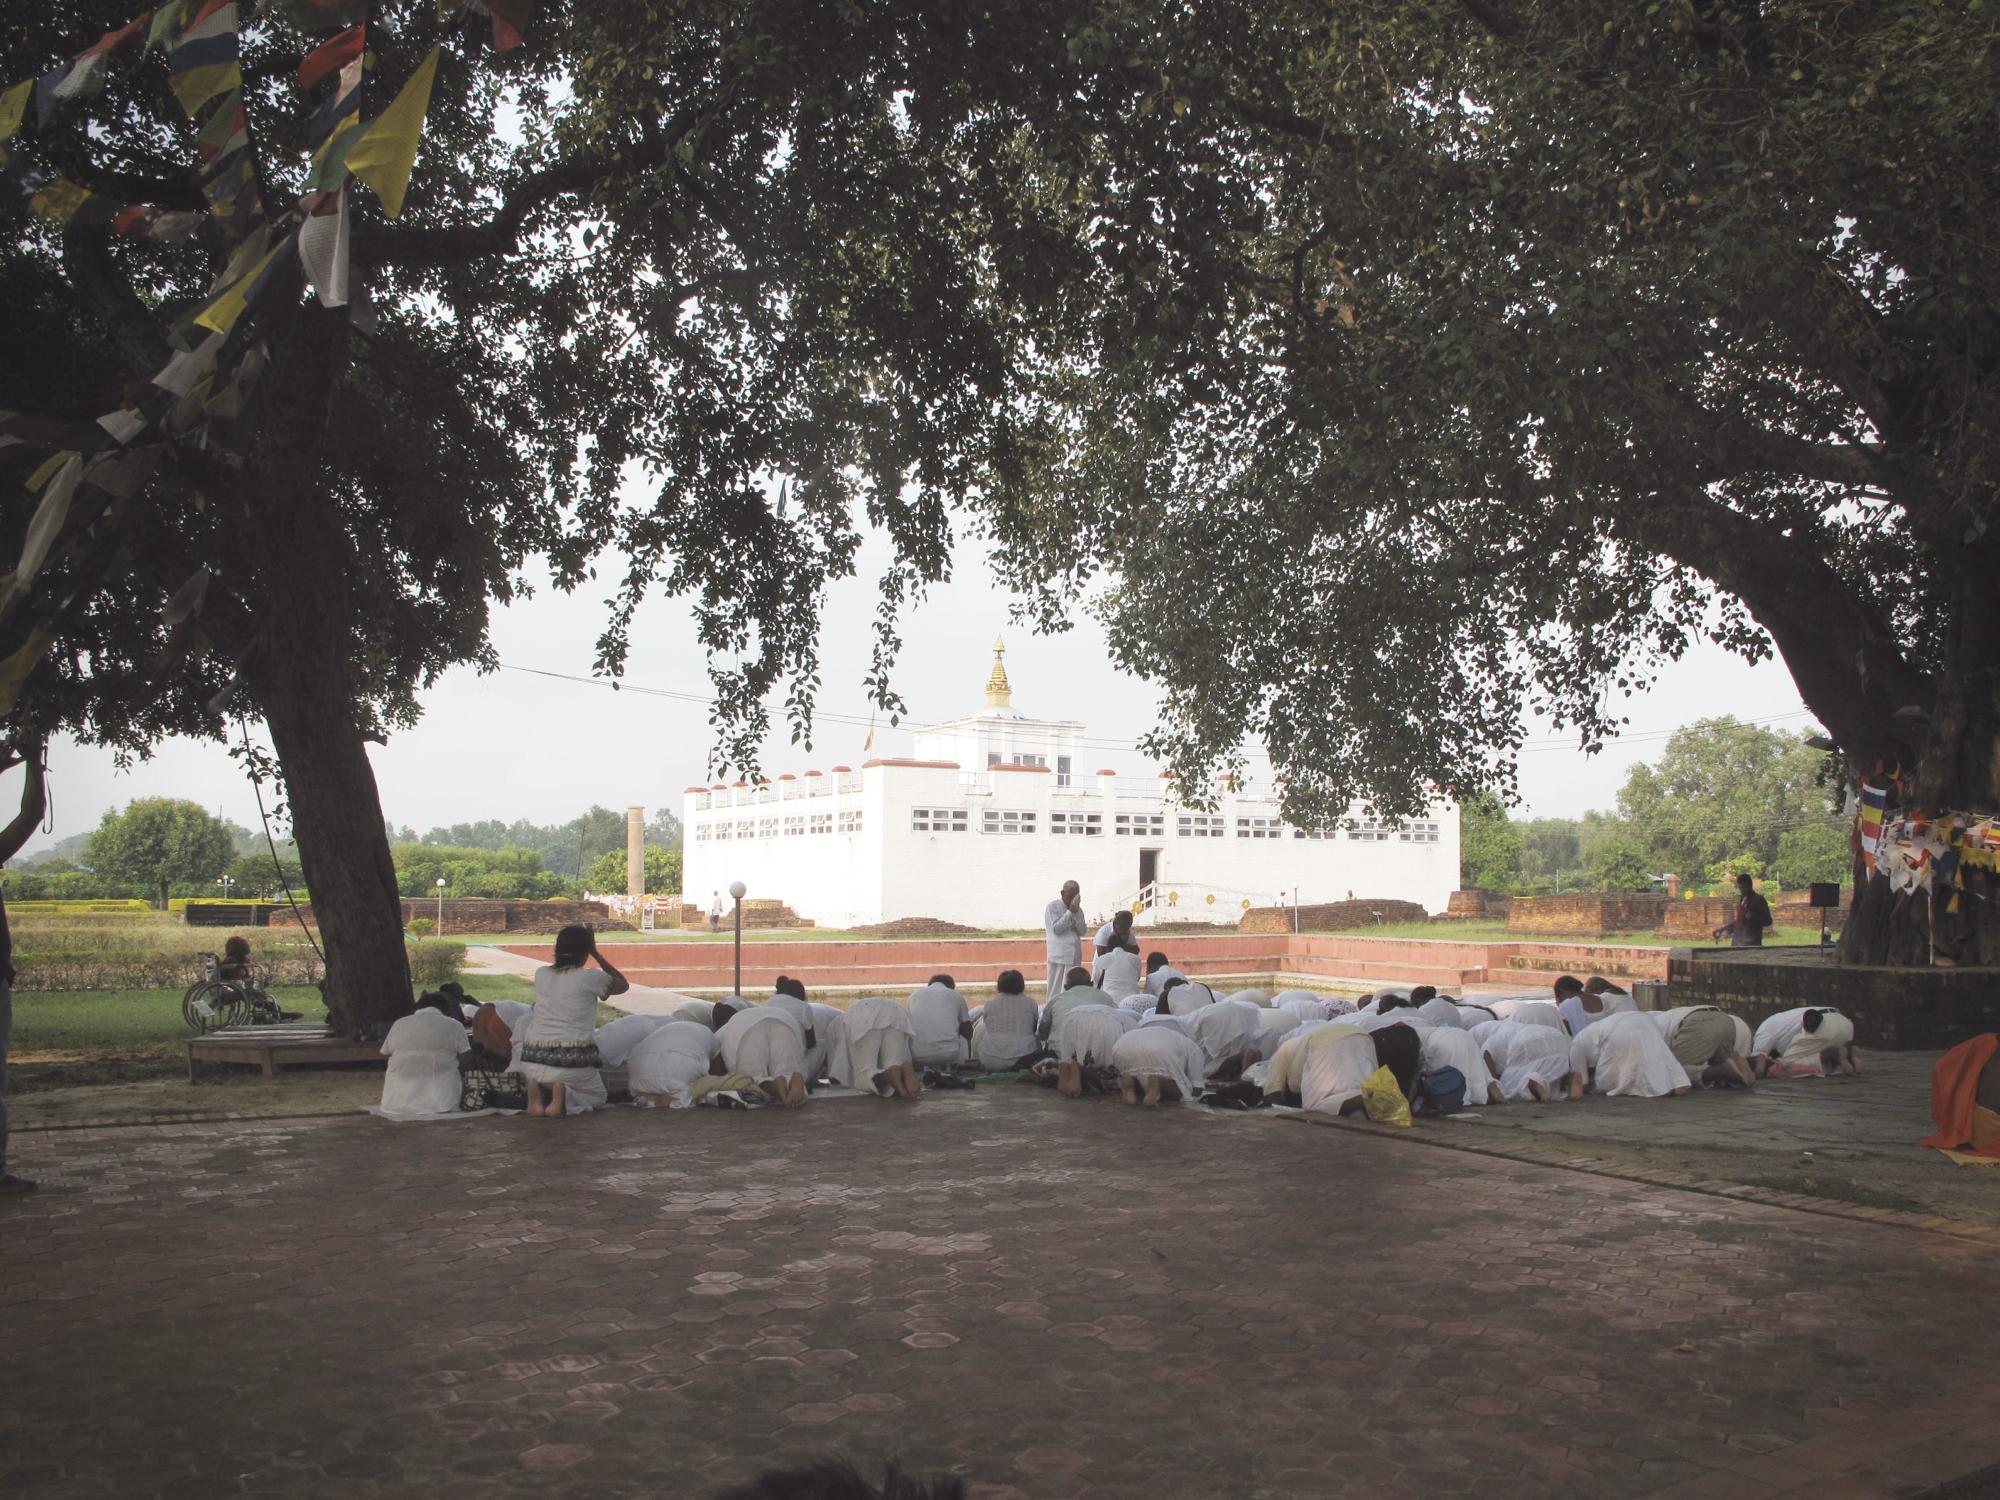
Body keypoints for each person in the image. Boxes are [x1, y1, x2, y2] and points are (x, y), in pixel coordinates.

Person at [519, 925, 629, 1118]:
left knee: (547, 1074)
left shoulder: (541, 974)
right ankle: (563, 1097)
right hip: (571, 1059)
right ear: (584, 951)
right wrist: (596, 954)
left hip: (532, 1057)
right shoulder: (590, 977)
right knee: (598, 1096)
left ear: (557, 949)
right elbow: (622, 985)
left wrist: (589, 949)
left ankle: (539, 1091)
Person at [1567, 1010, 1692, 1099]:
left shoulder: (1575, 1046)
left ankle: (1657, 1089)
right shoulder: (1586, 1033)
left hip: (1618, 1030)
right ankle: (1676, 1083)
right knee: (1655, 1057)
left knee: (1607, 1082)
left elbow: (1581, 1082)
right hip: (1644, 1019)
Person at [376, 1004, 470, 1118]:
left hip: (397, 1100)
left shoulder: (400, 1023)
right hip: (442, 1098)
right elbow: (466, 1057)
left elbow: (386, 1052)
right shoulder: (454, 1025)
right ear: (444, 1011)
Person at [712, 1000, 809, 1107]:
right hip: (784, 1020)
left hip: (746, 1031)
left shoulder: (723, 1030)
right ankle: (791, 1079)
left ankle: (772, 1087)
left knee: (752, 1082)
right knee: (786, 1073)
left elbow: (715, 1065)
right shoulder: (741, 1017)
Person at [1652, 1005, 1756, 1088]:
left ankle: (1722, 1069)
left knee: (1674, 1073)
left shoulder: (1647, 1029)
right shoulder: (1654, 1017)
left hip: (1697, 1023)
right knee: (1720, 1069)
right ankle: (1739, 1069)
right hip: (1725, 1020)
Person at [1110, 1022, 1208, 1106]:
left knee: (1137, 1073)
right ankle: (1160, 1081)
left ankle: (1130, 1083)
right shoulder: (1193, 1047)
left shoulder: (1154, 1032)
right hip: (1160, 1049)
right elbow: (1197, 1086)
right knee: (1182, 1092)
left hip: (1122, 1045)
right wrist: (1193, 1095)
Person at [628, 1020, 722, 1107]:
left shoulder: (672, 1027)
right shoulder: (711, 1036)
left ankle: (649, 1097)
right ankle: (666, 1100)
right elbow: (717, 1070)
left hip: (637, 1067)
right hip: (678, 1068)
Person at [844, 995, 922, 1098]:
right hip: (896, 1011)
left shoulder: (840, 1023)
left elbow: (842, 1067)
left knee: (863, 1075)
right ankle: (902, 1073)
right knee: (894, 1065)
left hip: (863, 1013)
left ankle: (886, 1075)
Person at [1751, 1006, 1862, 1078]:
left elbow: (1759, 1058)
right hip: (1844, 1023)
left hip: (1822, 1025)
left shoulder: (1762, 1030)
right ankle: (1848, 1055)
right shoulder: (1781, 1020)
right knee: (1810, 1053)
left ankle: (1834, 1055)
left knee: (1786, 1064)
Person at [1056, 1004, 1138, 1098]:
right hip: (1111, 1024)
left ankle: (1073, 1067)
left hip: (1073, 1015)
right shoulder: (1135, 1024)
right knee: (1117, 1075)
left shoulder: (1125, 1016)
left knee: (1067, 1058)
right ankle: (1079, 1067)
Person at [975, 970, 1043, 1071]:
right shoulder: (1030, 1003)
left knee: (980, 1030)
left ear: (999, 986)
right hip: (1024, 1061)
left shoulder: (990, 1004)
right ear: (1022, 985)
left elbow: (988, 1025)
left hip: (991, 1060)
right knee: (1036, 1037)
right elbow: (1033, 1029)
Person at [1039, 967, 1114, 1045]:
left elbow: (1043, 1033)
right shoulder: (1106, 998)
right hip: (1098, 1054)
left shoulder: (1055, 1001)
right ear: (1091, 984)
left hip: (1059, 1053)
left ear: (1066, 988)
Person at [908, 977, 972, 1069]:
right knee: (964, 1033)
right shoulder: (956, 995)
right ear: (951, 987)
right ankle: (961, 1067)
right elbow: (968, 1032)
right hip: (948, 1055)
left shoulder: (913, 996)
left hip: (918, 1055)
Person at [1043, 880, 1089, 998]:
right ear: (1062, 893)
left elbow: (1083, 931)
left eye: (1075, 896)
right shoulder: (1052, 907)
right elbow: (1056, 929)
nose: (1072, 900)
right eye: (1070, 897)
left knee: (1071, 992)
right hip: (1059, 956)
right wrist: (1069, 913)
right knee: (1055, 990)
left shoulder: (1079, 910)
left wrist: (1076, 914)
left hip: (1074, 956)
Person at [1715, 872, 1774, 947]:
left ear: (1750, 885)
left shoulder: (1759, 900)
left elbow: (1768, 921)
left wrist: (1754, 918)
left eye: (1744, 887)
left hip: (1752, 943)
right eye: (1740, 888)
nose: (1742, 890)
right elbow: (1739, 921)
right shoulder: (1742, 899)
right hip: (1737, 942)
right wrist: (1722, 929)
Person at [1092, 935, 1144, 1001]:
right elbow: (1137, 978)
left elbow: (1096, 980)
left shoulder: (1101, 959)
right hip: (1132, 999)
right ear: (1124, 946)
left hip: (1109, 1000)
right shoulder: (1135, 959)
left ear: (1108, 947)